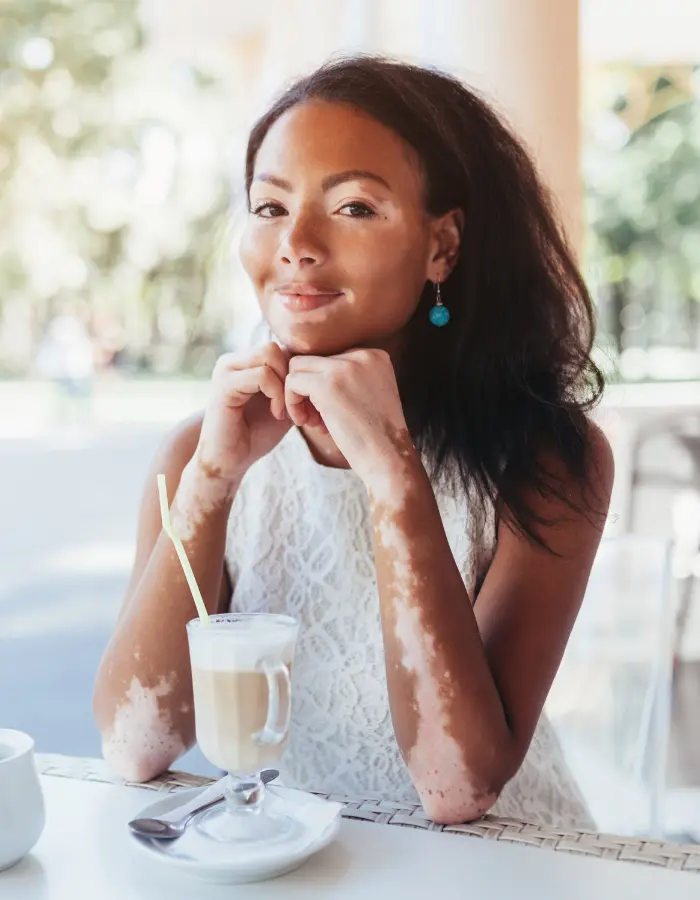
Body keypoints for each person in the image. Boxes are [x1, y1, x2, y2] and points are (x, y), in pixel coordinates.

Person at [93, 55, 614, 828]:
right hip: (297, 861)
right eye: (269, 207)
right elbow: (136, 746)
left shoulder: (545, 460)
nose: (295, 244)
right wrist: (213, 476)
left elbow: (457, 787)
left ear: (443, 247)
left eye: (355, 208)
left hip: (503, 869)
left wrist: (393, 474)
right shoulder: (197, 456)